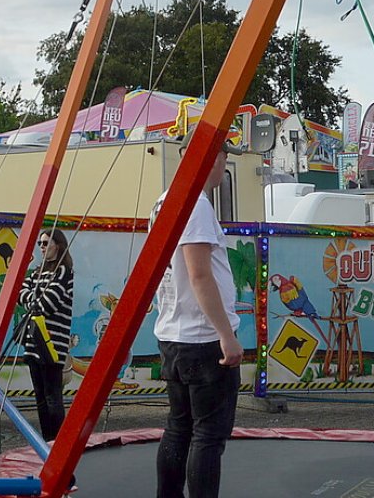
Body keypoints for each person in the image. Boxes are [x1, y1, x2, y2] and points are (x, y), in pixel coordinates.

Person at [152, 147, 241, 498]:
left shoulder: (164, 200)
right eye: (224, 158)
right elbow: (199, 274)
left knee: (179, 427)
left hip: (174, 333)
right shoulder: (197, 205)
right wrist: (226, 335)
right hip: (202, 338)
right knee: (208, 434)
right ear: (214, 159)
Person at [18, 228, 74, 442]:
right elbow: (21, 294)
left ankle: (58, 441)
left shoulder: (64, 272)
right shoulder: (36, 271)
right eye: (40, 243)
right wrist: (34, 300)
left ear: (57, 245)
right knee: (40, 398)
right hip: (33, 344)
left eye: (45, 243)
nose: (41, 247)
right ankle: (47, 440)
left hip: (52, 344)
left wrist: (31, 299)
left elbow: (47, 305)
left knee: (53, 397)